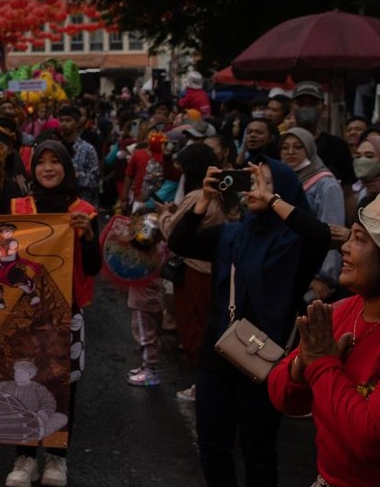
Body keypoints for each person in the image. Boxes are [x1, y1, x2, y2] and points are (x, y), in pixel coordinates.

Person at [167, 159, 348, 487]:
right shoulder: (231, 234)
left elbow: (320, 236)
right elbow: (179, 243)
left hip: (268, 361)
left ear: (284, 191)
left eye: (265, 181)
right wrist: (203, 201)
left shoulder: (296, 244)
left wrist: (274, 202)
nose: (254, 189)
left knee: (258, 449)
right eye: (250, 181)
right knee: (212, 445)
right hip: (218, 353)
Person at [4, 140, 102, 487]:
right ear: (33, 170)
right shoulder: (18, 207)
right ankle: (25, 456)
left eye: (55, 162)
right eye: (41, 162)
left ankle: (57, 459)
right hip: (25, 313)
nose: (48, 168)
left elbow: (93, 267)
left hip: (67, 313)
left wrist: (88, 235)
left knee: (63, 388)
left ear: (66, 167)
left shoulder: (85, 210)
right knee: (24, 384)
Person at [268, 200, 380, 487]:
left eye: (360, 239)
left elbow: (367, 439)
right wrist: (300, 364)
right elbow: (283, 396)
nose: (344, 247)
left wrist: (321, 365)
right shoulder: (342, 311)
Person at [158, 143, 238, 403]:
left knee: (194, 328)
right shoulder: (228, 194)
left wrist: (164, 215)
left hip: (196, 271)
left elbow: (174, 232)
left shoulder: (199, 197)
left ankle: (203, 385)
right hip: (218, 270)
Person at [280, 128, 346, 302]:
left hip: (314, 277)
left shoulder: (326, 184)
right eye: (285, 148)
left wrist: (323, 276)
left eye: (297, 147)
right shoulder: (283, 180)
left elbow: (332, 232)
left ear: (309, 149)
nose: (290, 152)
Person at [57, 106, 100, 206]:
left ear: (77, 123)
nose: (64, 124)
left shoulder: (88, 149)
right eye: (62, 120)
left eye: (68, 120)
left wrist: (74, 175)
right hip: (60, 204)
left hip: (82, 203)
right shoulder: (56, 148)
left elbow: (94, 180)